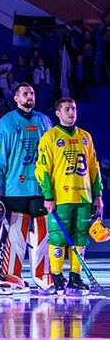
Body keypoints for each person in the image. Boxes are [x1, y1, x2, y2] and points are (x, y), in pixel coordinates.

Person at [0, 83, 53, 294]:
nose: (30, 97)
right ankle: (8, 277)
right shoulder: (6, 122)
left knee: (43, 236)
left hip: (41, 189)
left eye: (32, 93)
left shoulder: (44, 120)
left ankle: (43, 276)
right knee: (15, 236)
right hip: (15, 188)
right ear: (16, 98)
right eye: (25, 94)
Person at [35, 98, 103, 295]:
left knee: (80, 239)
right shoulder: (50, 137)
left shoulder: (85, 137)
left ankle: (75, 276)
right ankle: (56, 276)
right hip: (60, 198)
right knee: (57, 238)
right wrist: (48, 196)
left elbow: (93, 168)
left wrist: (97, 194)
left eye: (74, 108)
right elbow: (43, 169)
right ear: (58, 113)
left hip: (83, 197)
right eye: (67, 109)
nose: (71, 112)